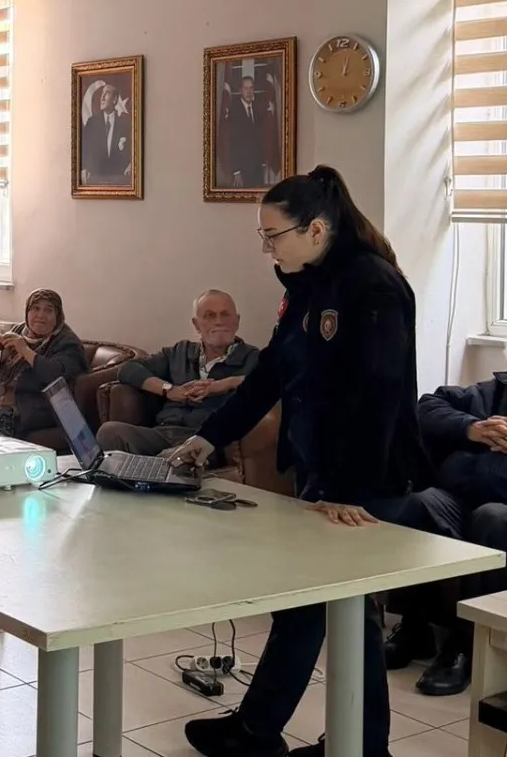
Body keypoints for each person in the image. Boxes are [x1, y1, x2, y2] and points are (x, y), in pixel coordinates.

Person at [170, 166, 455, 757]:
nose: (267, 248)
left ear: (316, 229)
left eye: (273, 235)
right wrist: (209, 438)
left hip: (366, 481)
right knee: (321, 612)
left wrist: (347, 490)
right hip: (322, 472)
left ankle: (316, 738)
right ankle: (291, 734)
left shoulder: (372, 286)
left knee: (337, 613)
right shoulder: (307, 283)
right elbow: (271, 374)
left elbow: (379, 396)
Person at [382, 319, 507, 697]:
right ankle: (414, 627)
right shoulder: (486, 394)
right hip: (464, 500)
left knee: (493, 518)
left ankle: (465, 646)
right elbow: (426, 406)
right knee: (419, 504)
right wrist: (474, 428)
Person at [96, 290, 260, 457]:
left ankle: (153, 467)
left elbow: (270, 382)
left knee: (173, 458)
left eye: (225, 314)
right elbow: (128, 369)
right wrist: (170, 390)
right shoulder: (180, 352)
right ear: (196, 324)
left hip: (206, 440)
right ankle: (146, 469)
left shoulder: (252, 357)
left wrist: (223, 384)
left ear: (237, 321)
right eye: (210, 316)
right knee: (109, 432)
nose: (219, 322)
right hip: (164, 432)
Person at [0, 289, 87, 439]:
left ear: (58, 316)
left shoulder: (67, 342)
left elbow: (55, 374)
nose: (40, 315)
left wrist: (26, 351)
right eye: (35, 308)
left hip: (33, 409)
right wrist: (1, 355)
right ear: (27, 312)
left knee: (1, 419)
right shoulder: (20, 330)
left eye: (48, 310)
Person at [80, 83, 130, 185]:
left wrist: (132, 163)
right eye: (102, 93)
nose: (102, 97)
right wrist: (83, 167)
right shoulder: (92, 123)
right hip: (94, 179)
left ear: (114, 100)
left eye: (106, 93)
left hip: (118, 181)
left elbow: (132, 150)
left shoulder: (125, 124)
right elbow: (83, 148)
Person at [225, 75, 268, 189]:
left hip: (257, 169)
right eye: (246, 88)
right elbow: (232, 143)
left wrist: (263, 163)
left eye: (251, 88)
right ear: (240, 90)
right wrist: (236, 171)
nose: (249, 92)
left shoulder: (257, 109)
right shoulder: (234, 112)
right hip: (242, 171)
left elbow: (260, 138)